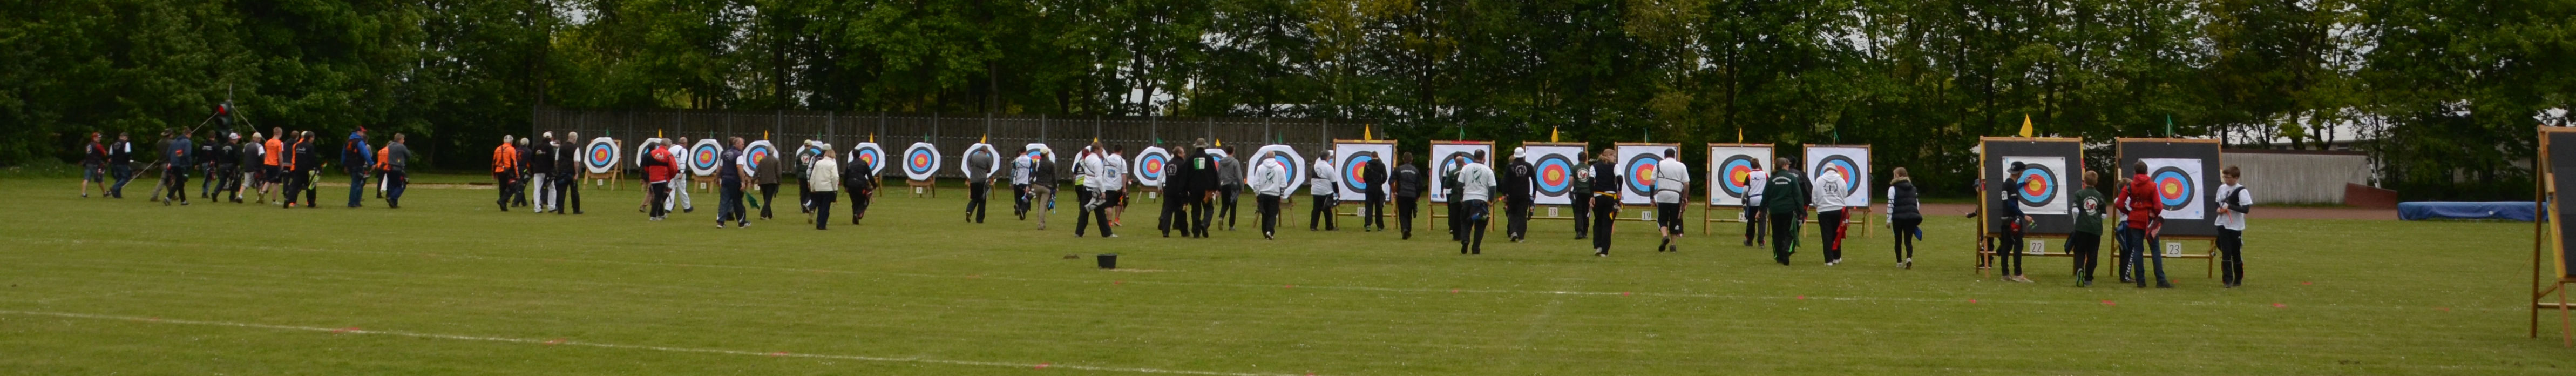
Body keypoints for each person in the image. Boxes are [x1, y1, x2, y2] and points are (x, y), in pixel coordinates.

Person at [2112, 162, 2172, 288]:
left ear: (2135, 172)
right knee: (2155, 249)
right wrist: (2154, 214)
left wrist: (2129, 212)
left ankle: (2141, 281)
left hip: (2135, 220)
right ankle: (2161, 280)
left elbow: (2119, 203)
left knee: (2138, 250)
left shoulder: (2130, 186)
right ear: (2147, 172)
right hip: (2150, 221)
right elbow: (2159, 206)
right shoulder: (2152, 186)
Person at [1764, 158, 1810, 264]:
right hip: (1789, 210)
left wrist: (1761, 209)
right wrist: (1801, 211)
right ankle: (1787, 249)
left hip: (1775, 210)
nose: (1789, 166)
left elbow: (1766, 195)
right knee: (1789, 232)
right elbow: (1798, 196)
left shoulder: (1772, 178)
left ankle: (1779, 257)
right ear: (1784, 166)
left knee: (1777, 234)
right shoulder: (1791, 178)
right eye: (1788, 165)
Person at [1992, 162, 2031, 281]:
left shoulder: (2007, 184)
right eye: (2022, 172)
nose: (2022, 173)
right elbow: (2012, 205)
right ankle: (2018, 274)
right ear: (2019, 172)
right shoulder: (2011, 185)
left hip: (2005, 219)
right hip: (2013, 221)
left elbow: (2013, 190)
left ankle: (2005, 274)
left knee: (2006, 246)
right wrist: (2024, 216)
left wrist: (2024, 183)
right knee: (2018, 245)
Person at [2065, 170, 2105, 285]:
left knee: (2080, 251)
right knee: (2093, 253)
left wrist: (2076, 222)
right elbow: (2103, 215)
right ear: (2096, 182)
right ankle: (2088, 278)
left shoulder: (2079, 194)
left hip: (2081, 228)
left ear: (2084, 182)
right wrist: (2097, 222)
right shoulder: (2100, 196)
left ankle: (2080, 269)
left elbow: (2075, 210)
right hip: (2096, 229)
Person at [2216, 165, 2253, 288]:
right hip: (2222, 224)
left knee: (2236, 253)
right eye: (2225, 177)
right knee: (2226, 252)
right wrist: (2219, 209)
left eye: (2229, 178)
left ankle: (2238, 278)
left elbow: (2246, 210)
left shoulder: (2242, 191)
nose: (2226, 180)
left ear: (2236, 178)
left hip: (2235, 226)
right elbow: (2217, 202)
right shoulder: (2222, 188)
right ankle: (2227, 280)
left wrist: (2230, 207)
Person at [1455, 151, 1497, 254]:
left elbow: (1460, 184)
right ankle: (1476, 248)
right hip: (1481, 201)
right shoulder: (1488, 170)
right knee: (1480, 225)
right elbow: (1493, 187)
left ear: (1474, 157)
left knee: (1466, 222)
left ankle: (1465, 240)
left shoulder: (1466, 168)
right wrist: (1490, 200)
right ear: (1484, 158)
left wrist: (1461, 198)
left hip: (1467, 199)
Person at [1076, 143, 1120, 238]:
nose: (1102, 152)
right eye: (1101, 150)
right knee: (1100, 213)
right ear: (1096, 150)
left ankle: (1079, 232)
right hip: (1095, 190)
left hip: (1086, 187)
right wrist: (1103, 191)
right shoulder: (1097, 162)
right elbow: (1098, 178)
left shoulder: (1087, 158)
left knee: (1084, 212)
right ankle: (1107, 233)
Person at [1653, 149, 1690, 252]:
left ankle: (1665, 236)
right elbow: (1687, 184)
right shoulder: (1681, 166)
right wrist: (1685, 197)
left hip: (1662, 195)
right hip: (1675, 196)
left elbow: (1652, 183)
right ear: (1674, 155)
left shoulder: (1659, 165)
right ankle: (1673, 245)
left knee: (1662, 219)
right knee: (1675, 220)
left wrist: (1652, 198)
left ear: (1665, 156)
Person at [1588, 147, 1623, 257]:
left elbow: (1591, 180)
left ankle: (1598, 246)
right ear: (1608, 155)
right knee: (1607, 224)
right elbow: (1620, 178)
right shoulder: (1615, 166)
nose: (1615, 158)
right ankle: (1604, 251)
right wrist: (1619, 190)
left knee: (1598, 221)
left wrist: (1592, 195)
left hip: (1597, 197)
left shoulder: (1594, 166)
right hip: (1610, 197)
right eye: (1614, 156)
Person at [1888, 167, 1926, 268]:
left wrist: (1888, 220)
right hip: (1911, 218)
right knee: (1908, 240)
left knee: (1898, 240)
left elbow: (1890, 205)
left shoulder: (1893, 189)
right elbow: (1916, 204)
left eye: (1895, 175)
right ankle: (1909, 258)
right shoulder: (1913, 188)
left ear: (1898, 176)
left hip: (1898, 218)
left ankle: (1899, 262)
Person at [1814, 162, 1849, 264]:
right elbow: (1845, 194)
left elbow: (1815, 196)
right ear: (1836, 171)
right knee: (1837, 233)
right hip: (1838, 210)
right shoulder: (1841, 180)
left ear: (1825, 171)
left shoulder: (1819, 180)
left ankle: (1828, 260)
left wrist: (1818, 205)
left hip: (1823, 211)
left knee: (1826, 235)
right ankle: (1837, 257)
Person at [1250, 152, 1290, 239]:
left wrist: (1257, 194)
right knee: (1273, 214)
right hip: (1275, 195)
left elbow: (1256, 183)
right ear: (1275, 157)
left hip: (1263, 194)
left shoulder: (1260, 168)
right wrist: (1281, 195)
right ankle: (1270, 231)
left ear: (1266, 157)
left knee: (1264, 214)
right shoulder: (1280, 168)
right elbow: (1283, 183)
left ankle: (1265, 233)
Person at [1159, 145, 1195, 237]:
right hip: (1180, 191)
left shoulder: (1167, 164)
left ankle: (1165, 232)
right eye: (1183, 153)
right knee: (1181, 212)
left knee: (1167, 211)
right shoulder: (1183, 164)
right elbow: (1185, 179)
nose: (1184, 154)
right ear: (1179, 154)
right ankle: (1184, 232)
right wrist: (1188, 190)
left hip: (1168, 190)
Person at [1184, 142, 1218, 237]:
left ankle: (1196, 232)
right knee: (1209, 208)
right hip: (1206, 190)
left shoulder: (1190, 159)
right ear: (1204, 147)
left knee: (1195, 210)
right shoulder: (1209, 158)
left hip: (1194, 189)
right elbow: (1214, 173)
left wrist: (1185, 188)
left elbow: (1186, 175)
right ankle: (1205, 224)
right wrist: (1216, 187)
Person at [716, 137, 750, 228]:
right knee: (737, 201)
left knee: (724, 201)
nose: (743, 146)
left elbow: (720, 168)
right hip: (735, 181)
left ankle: (720, 222)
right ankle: (742, 222)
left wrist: (717, 178)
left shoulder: (725, 154)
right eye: (742, 144)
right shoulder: (739, 155)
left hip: (725, 180)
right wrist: (743, 182)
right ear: (737, 144)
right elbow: (740, 168)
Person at [1503, 147, 1535, 241]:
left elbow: (1505, 181)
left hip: (1512, 195)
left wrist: (1505, 194)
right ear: (1523, 155)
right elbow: (1534, 180)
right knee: (1522, 215)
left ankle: (1513, 232)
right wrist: (1534, 193)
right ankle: (1521, 237)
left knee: (1512, 213)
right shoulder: (1529, 166)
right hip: (1524, 194)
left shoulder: (1510, 166)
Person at [806, 146, 840, 230]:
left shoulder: (818, 163)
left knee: (820, 206)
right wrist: (835, 188)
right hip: (828, 189)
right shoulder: (833, 164)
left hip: (818, 188)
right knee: (826, 208)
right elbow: (835, 177)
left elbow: (813, 176)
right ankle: (822, 225)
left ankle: (818, 223)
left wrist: (813, 188)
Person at [645, 139, 679, 221]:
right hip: (663, 179)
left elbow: (646, 167)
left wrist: (651, 174)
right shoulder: (668, 154)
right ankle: (653, 215)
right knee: (659, 197)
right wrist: (670, 177)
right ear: (667, 146)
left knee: (658, 195)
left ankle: (661, 214)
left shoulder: (651, 153)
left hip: (653, 179)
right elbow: (674, 168)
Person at [844, 145, 877, 225]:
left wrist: (846, 186)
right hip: (861, 185)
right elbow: (870, 176)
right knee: (864, 201)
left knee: (855, 202)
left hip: (851, 185)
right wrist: (874, 185)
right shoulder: (864, 163)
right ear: (860, 155)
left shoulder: (850, 164)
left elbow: (846, 176)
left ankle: (855, 220)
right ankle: (858, 213)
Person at [1027, 150, 1059, 230]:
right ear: (1047, 154)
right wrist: (1056, 187)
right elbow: (1054, 177)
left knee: (1040, 205)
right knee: (1043, 206)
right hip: (1047, 187)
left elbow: (1033, 175)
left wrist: (1029, 185)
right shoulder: (1051, 164)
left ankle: (1041, 222)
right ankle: (1041, 224)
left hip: (1037, 186)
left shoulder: (1037, 163)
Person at [1394, 152, 1423, 240]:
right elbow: (1420, 185)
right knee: (1409, 213)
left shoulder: (1399, 169)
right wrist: (1418, 195)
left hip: (1401, 194)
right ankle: (1408, 231)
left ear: (1403, 159)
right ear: (1412, 160)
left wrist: (1394, 192)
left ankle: (1405, 229)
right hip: (1412, 195)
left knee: (1402, 214)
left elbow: (1391, 181)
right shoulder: (1416, 170)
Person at [965, 144, 997, 223]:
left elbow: (970, 164)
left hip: (973, 180)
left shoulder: (973, 156)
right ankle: (979, 219)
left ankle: (969, 210)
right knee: (982, 200)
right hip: (982, 181)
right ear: (986, 151)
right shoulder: (987, 158)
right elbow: (989, 169)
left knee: (974, 198)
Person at [554, 132, 585, 214]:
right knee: (574, 192)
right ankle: (576, 210)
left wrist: (558, 169)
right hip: (571, 174)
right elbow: (576, 162)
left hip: (562, 173)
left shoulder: (560, 148)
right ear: (575, 139)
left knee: (561, 192)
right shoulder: (576, 148)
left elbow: (556, 160)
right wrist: (577, 173)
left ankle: (561, 211)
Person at [341, 129, 371, 208]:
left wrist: (345, 165)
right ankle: (353, 203)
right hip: (358, 164)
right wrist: (371, 163)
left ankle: (357, 202)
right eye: (362, 132)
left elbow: (344, 154)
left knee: (356, 182)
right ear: (358, 132)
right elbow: (365, 153)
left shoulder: (348, 142)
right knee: (357, 183)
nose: (363, 134)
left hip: (350, 165)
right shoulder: (359, 142)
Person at [1309, 151, 1339, 231]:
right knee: (1327, 209)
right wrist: (1337, 192)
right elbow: (1334, 181)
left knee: (1316, 208)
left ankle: (1313, 226)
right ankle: (1329, 227)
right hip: (1326, 191)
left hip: (1316, 191)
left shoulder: (1315, 166)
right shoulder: (1329, 168)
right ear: (1328, 158)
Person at [527, 133, 557, 212]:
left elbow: (531, 159)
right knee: (552, 188)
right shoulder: (550, 147)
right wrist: (552, 168)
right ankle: (552, 207)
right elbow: (552, 159)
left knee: (537, 189)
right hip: (548, 172)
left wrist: (535, 166)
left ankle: (537, 208)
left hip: (537, 171)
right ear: (551, 138)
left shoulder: (537, 146)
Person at [290, 131, 320, 208]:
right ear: (311, 138)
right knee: (311, 187)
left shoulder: (298, 145)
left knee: (295, 186)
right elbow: (313, 158)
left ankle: (291, 201)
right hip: (308, 170)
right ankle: (311, 203)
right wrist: (318, 168)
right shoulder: (310, 146)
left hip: (298, 169)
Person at [162, 130, 193, 206]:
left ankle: (183, 201)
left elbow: (168, 154)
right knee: (179, 182)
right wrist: (188, 163)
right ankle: (168, 198)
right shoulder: (187, 142)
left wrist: (173, 160)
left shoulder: (174, 142)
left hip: (173, 164)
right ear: (189, 134)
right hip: (182, 165)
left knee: (181, 182)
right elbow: (187, 154)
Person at [1218, 146, 1244, 230]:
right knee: (1233, 206)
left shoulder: (1221, 162)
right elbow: (1239, 176)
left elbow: (1218, 174)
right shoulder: (1235, 162)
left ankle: (1221, 217)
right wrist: (1242, 187)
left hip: (1224, 185)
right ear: (1233, 152)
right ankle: (1231, 226)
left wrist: (1218, 187)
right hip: (1233, 186)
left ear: (1226, 152)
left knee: (1225, 204)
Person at [1743, 164, 1769, 247]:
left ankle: (1749, 240)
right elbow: (1768, 187)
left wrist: (1743, 201)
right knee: (1762, 221)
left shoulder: (1749, 175)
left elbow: (1746, 190)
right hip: (1762, 201)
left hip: (1752, 201)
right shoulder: (1765, 175)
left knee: (1751, 220)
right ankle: (1761, 242)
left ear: (1751, 166)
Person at [492, 135, 520, 211]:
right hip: (508, 171)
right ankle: (503, 200)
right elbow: (514, 163)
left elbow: (494, 162)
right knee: (514, 186)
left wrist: (494, 173)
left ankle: (503, 207)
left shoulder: (498, 149)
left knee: (502, 188)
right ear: (511, 142)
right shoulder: (512, 149)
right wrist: (517, 174)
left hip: (499, 170)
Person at [1364, 152, 1390, 232]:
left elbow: (1365, 177)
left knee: (1369, 206)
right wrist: (1380, 183)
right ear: (1378, 156)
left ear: (1371, 156)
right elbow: (1385, 177)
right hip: (1378, 188)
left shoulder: (1368, 164)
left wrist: (1369, 183)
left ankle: (1368, 224)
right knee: (1379, 207)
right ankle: (1380, 226)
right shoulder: (1382, 165)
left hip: (1370, 187)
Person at [1571, 152, 1594, 240]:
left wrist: (1569, 191)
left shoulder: (1574, 168)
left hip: (1578, 192)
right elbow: (1593, 181)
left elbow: (1570, 180)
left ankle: (1579, 232)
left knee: (1578, 212)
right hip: (1588, 193)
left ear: (1578, 158)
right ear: (1586, 159)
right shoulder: (1590, 168)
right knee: (1586, 211)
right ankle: (1585, 232)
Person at [106, 132, 135, 199]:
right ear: (125, 137)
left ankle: (117, 195)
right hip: (123, 163)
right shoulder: (126, 143)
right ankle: (114, 187)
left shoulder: (113, 144)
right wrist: (128, 160)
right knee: (126, 178)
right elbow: (128, 153)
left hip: (115, 164)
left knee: (119, 179)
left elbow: (110, 154)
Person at [755, 147, 781, 220]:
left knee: (766, 198)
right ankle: (763, 214)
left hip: (763, 182)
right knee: (768, 199)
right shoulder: (776, 161)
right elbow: (778, 173)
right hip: (772, 182)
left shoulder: (762, 160)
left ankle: (770, 214)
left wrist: (754, 179)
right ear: (773, 152)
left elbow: (757, 170)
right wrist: (779, 181)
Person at [260, 129, 285, 203]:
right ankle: (274, 200)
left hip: (268, 163)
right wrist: (282, 166)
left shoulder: (268, 142)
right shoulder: (280, 143)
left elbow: (266, 154)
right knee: (276, 182)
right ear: (280, 133)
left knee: (268, 180)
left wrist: (265, 163)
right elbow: (280, 156)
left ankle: (263, 192)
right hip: (275, 164)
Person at [80, 132, 106, 198]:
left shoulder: (88, 145)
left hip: (88, 163)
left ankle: (83, 194)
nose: (100, 139)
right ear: (94, 138)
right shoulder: (98, 145)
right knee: (100, 179)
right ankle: (105, 193)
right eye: (98, 138)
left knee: (86, 179)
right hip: (96, 164)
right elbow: (105, 153)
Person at [1012, 147, 1034, 220]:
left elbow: (1013, 171)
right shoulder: (1030, 160)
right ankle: (1022, 210)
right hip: (1026, 182)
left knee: (1019, 197)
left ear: (1020, 152)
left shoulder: (1017, 160)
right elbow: (1032, 171)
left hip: (1018, 182)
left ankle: (1018, 206)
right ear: (1026, 151)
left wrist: (1011, 181)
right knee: (1026, 198)